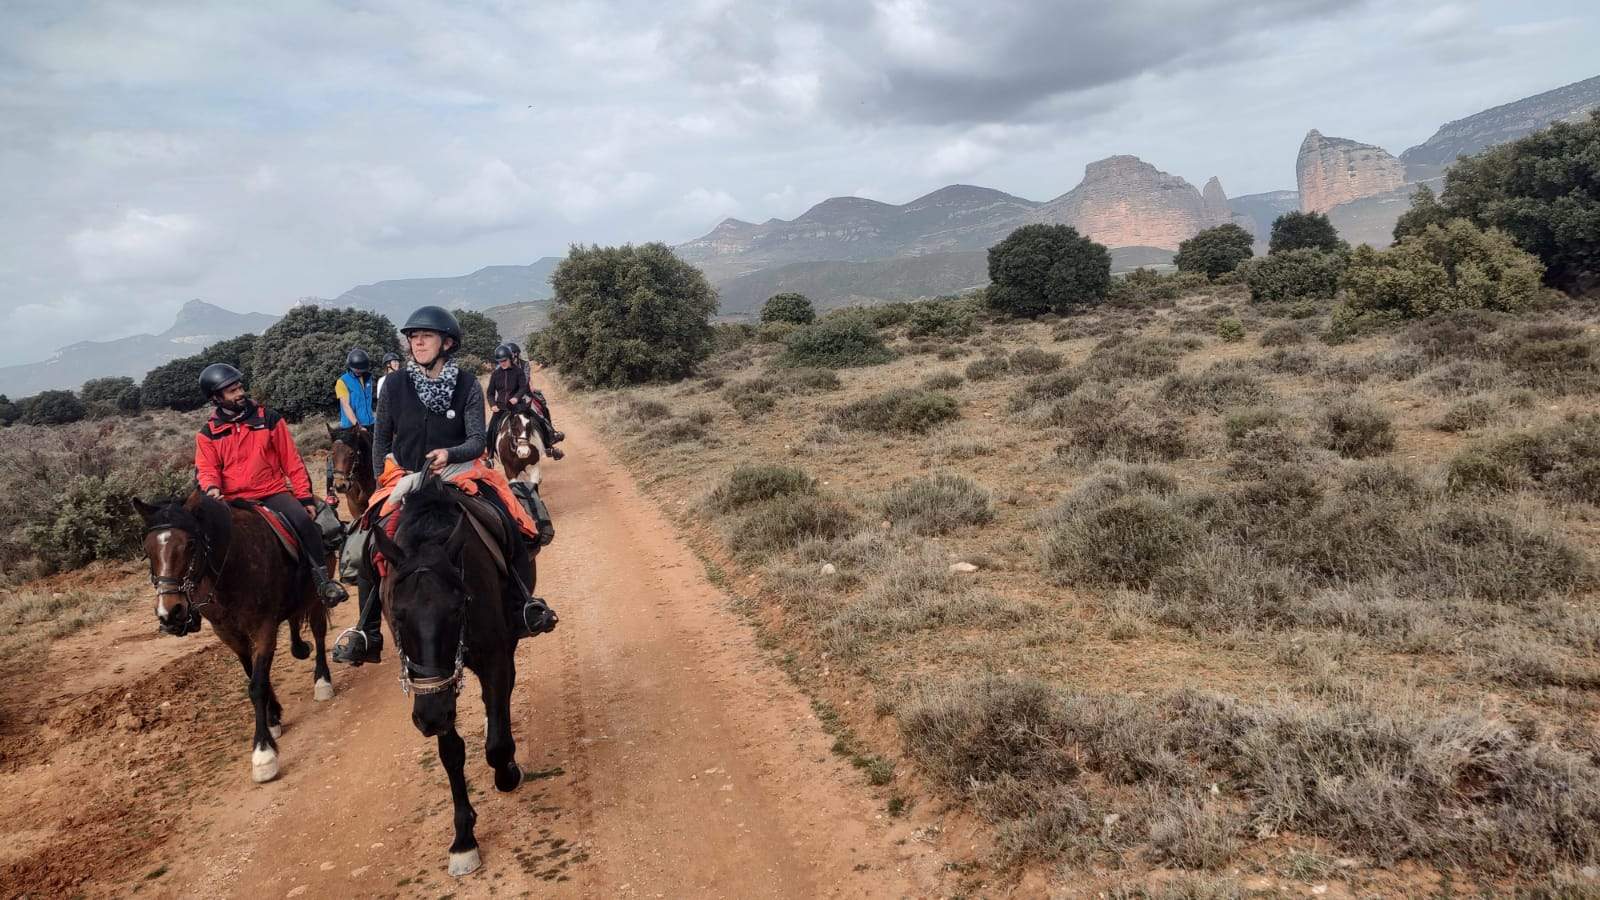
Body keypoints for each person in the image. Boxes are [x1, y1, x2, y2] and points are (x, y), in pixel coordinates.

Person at [368, 306, 556, 641]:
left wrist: (448, 454)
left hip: (459, 473)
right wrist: (382, 480)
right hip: (406, 478)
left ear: (448, 343)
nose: (418, 343)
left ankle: (521, 605)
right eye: (413, 337)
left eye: (426, 336)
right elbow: (381, 439)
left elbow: (476, 441)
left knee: (509, 521)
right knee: (366, 542)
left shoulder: (467, 385)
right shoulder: (394, 386)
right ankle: (367, 628)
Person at [194, 363, 346, 606]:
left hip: (271, 491)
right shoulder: (208, 433)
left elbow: (291, 460)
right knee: (202, 538)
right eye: (232, 391)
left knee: (305, 522)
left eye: (240, 387)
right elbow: (207, 469)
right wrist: (212, 489)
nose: (240, 393)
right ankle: (199, 598)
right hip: (233, 498)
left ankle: (323, 582)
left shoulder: (269, 418)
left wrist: (305, 498)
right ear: (216, 398)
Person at [327, 348, 377, 503]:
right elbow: (346, 405)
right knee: (336, 455)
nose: (359, 372)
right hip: (350, 427)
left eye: (362, 370)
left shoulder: (369, 378)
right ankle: (330, 492)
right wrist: (357, 425)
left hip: (370, 424)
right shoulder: (342, 382)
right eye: (356, 370)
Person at [486, 343, 533, 466]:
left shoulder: (518, 372)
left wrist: (516, 397)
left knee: (536, 419)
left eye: (504, 360)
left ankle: (548, 442)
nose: (502, 363)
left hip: (517, 406)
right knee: (490, 429)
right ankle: (490, 457)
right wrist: (492, 405)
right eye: (499, 361)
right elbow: (490, 393)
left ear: (510, 358)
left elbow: (523, 387)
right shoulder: (495, 374)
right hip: (501, 407)